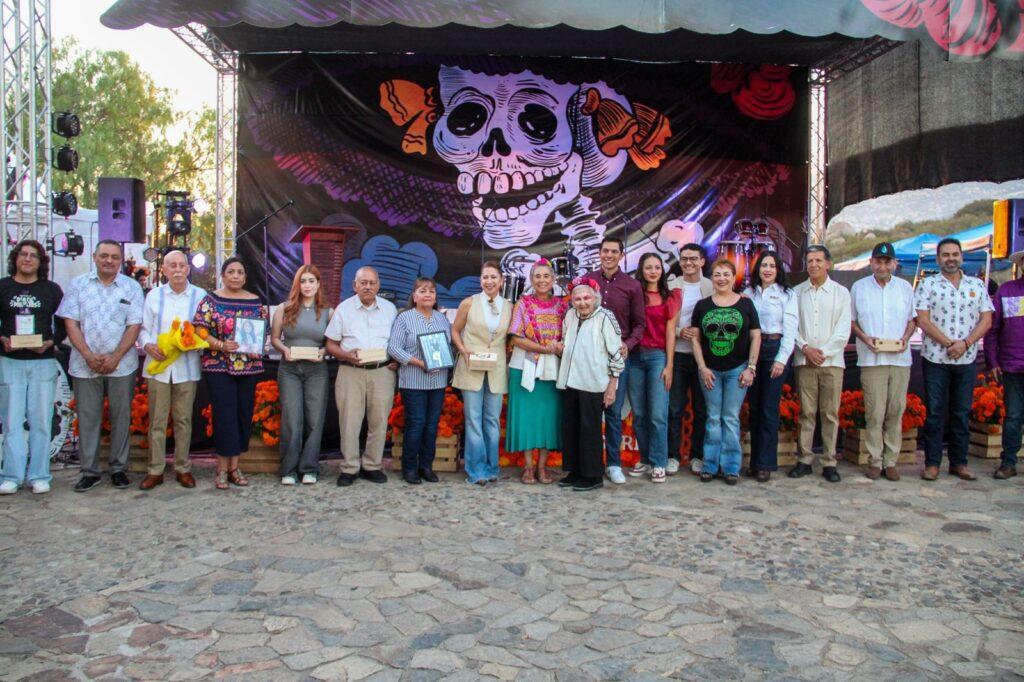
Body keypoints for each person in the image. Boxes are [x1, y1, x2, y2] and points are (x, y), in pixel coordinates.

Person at [57, 240, 144, 492]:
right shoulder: (78, 285)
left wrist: (116, 356)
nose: (109, 261)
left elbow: (134, 325)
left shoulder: (132, 287)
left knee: (120, 417)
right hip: (85, 364)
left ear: (120, 260)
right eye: (104, 255)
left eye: (114, 257)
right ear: (94, 257)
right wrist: (87, 354)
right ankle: (89, 471)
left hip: (122, 364)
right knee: (87, 418)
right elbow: (70, 323)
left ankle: (118, 469)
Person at [914, 238, 993, 481]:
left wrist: (965, 343)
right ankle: (932, 463)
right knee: (936, 412)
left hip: (966, 358)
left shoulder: (976, 286)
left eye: (955, 254)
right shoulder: (927, 285)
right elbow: (923, 320)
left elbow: (986, 320)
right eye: (946, 255)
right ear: (938, 259)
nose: (951, 258)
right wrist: (949, 343)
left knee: (961, 411)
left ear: (961, 257)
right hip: (936, 358)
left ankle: (959, 463)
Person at [192, 257, 268, 490]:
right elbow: (199, 330)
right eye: (231, 272)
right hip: (219, 366)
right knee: (224, 416)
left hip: (248, 367)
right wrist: (220, 345)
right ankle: (222, 469)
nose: (235, 276)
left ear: (245, 277)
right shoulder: (211, 300)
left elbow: (262, 332)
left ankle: (236, 467)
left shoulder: (256, 302)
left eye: (240, 272)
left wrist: (257, 348)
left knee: (243, 415)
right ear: (223, 275)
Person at [0, 240, 65, 495]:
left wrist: (51, 342)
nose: (27, 259)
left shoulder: (51, 290)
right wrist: (2, 339)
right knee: (11, 421)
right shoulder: (3, 287)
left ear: (41, 262)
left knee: (40, 420)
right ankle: (11, 476)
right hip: (10, 362)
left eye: (33, 256)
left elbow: (64, 324)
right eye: (23, 255)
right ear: (15, 258)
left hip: (42, 361)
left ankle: (39, 474)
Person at [138, 250, 207, 491]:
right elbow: (143, 329)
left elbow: (205, 330)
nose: (177, 270)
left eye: (181, 265)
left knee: (184, 420)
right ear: (164, 270)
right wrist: (148, 344)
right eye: (172, 266)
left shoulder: (201, 296)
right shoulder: (153, 296)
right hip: (158, 367)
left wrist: (196, 340)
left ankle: (182, 468)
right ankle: (155, 470)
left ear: (189, 269)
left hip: (186, 368)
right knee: (157, 421)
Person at [325, 266, 397, 487]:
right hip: (351, 371)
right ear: (354, 285)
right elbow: (330, 344)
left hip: (382, 371)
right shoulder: (343, 310)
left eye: (372, 283)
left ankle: (372, 465)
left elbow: (398, 340)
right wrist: (346, 355)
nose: (368, 286)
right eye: (363, 282)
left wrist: (396, 358)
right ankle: (349, 467)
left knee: (379, 421)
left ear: (378, 285)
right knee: (349, 421)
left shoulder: (390, 309)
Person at [850, 242, 916, 482]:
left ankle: (891, 461)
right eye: (878, 261)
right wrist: (865, 338)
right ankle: (875, 461)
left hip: (900, 359)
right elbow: (852, 321)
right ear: (871, 263)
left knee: (895, 411)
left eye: (887, 262)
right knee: (874, 412)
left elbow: (913, 320)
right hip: (871, 358)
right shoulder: (859, 287)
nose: (882, 266)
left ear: (894, 264)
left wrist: (906, 338)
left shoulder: (905, 288)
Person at [690, 259, 760, 485]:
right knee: (712, 418)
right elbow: (696, 340)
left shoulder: (746, 305)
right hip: (710, 371)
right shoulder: (702, 306)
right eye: (717, 274)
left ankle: (731, 467)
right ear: (712, 278)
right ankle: (709, 465)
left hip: (737, 371)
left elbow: (755, 336)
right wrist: (702, 368)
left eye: (726, 274)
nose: (721, 278)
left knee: (730, 418)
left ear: (733, 277)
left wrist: (751, 368)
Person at [790, 245, 851, 483]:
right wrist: (806, 348)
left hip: (832, 363)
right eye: (809, 261)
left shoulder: (841, 293)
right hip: (804, 361)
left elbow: (843, 330)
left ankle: (829, 462)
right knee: (806, 413)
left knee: (829, 413)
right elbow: (791, 327)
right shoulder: (796, 293)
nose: (813, 265)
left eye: (818, 260)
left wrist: (822, 353)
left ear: (828, 264)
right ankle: (804, 459)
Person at [586, 236, 645, 485]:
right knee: (590, 411)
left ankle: (613, 464)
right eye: (604, 251)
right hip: (590, 356)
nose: (608, 255)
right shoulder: (587, 282)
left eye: (613, 251)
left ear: (621, 255)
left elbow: (640, 324)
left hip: (617, 357)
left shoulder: (632, 285)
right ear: (599, 254)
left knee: (612, 411)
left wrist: (627, 345)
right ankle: (589, 464)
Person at [556, 277, 624, 491]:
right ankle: (575, 470)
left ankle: (593, 475)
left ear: (595, 298)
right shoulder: (570, 315)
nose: (582, 302)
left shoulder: (606, 317)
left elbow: (616, 354)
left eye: (586, 298)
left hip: (594, 383)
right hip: (570, 381)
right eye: (577, 299)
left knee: (590, 429)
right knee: (571, 427)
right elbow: (567, 343)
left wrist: (612, 386)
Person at [506, 260, 569, 484]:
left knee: (547, 420)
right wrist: (544, 348)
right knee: (526, 419)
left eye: (546, 276)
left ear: (553, 280)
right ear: (531, 280)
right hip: (524, 367)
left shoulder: (563, 306)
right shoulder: (522, 304)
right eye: (537, 276)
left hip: (552, 371)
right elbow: (515, 337)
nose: (542, 280)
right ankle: (528, 467)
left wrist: (558, 347)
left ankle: (542, 468)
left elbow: (568, 336)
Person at [452, 261, 512, 485]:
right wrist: (462, 349)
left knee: (492, 420)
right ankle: (476, 470)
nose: (489, 281)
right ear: (480, 280)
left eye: (493, 277)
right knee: (473, 419)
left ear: (502, 280)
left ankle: (492, 467)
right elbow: (455, 330)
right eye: (485, 277)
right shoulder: (469, 303)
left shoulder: (509, 306)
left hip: (495, 370)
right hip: (471, 367)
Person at [387, 277, 452, 485]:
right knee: (416, 424)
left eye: (431, 291)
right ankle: (409, 468)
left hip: (438, 381)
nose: (428, 295)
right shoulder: (404, 318)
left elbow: (447, 347)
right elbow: (394, 348)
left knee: (431, 426)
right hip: (413, 381)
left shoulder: (442, 319)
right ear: (414, 296)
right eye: (423, 291)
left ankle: (426, 466)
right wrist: (419, 362)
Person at [270, 265, 330, 486]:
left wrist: (323, 353)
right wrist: (284, 350)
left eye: (311, 281)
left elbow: (333, 343)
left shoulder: (328, 312)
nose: (307, 285)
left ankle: (309, 468)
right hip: (290, 370)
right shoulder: (283, 309)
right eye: (303, 281)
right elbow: (275, 338)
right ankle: (289, 469)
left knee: (314, 420)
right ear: (297, 284)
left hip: (317, 371)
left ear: (318, 284)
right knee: (292, 420)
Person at [743, 251, 797, 482]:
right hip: (752, 352)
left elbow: (791, 329)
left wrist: (781, 360)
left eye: (771, 266)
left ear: (778, 270)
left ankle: (765, 464)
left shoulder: (787, 294)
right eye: (763, 265)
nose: (767, 269)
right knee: (754, 408)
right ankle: (754, 462)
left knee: (768, 409)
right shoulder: (747, 294)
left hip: (775, 349)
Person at [627, 253, 680, 483]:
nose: (653, 271)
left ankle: (659, 462)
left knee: (658, 414)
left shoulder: (671, 296)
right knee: (639, 413)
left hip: (658, 356)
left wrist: (669, 364)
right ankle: (646, 459)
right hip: (634, 357)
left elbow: (670, 332)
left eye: (657, 267)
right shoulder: (635, 295)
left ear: (662, 270)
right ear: (641, 270)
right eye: (648, 267)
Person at [667, 243, 712, 476]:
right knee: (674, 408)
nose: (688, 263)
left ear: (702, 261)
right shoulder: (671, 286)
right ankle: (672, 456)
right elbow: (662, 321)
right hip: (677, 355)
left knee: (702, 409)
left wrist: (701, 334)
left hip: (704, 357)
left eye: (693, 259)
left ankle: (697, 456)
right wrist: (678, 332)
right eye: (684, 259)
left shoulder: (712, 286)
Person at [985, 253, 1024, 480]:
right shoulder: (1007, 291)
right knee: (1013, 417)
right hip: (1013, 365)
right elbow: (993, 329)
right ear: (1020, 265)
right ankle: (1008, 462)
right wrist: (993, 361)